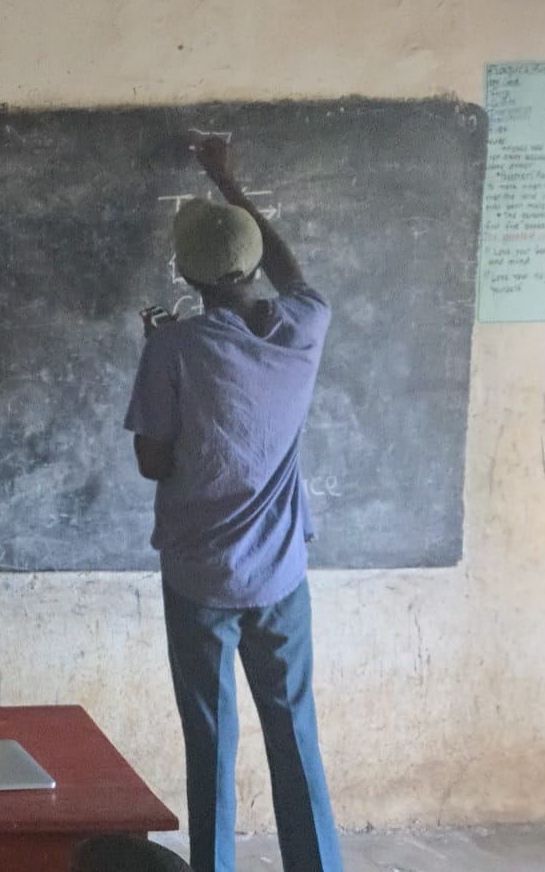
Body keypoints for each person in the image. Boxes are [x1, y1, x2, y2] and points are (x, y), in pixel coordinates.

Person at [126, 138, 342, 872]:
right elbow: (293, 273)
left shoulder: (176, 348)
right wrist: (229, 184)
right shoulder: (306, 325)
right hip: (280, 573)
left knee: (211, 742)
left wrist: (156, 348)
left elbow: (153, 461)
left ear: (187, 277)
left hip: (200, 577)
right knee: (295, 735)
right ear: (252, 265)